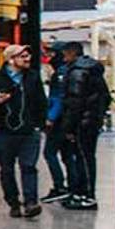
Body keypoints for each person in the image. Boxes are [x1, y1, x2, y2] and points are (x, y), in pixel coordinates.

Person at [0, 43, 47, 219]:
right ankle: (13, 202)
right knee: (7, 169)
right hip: (4, 131)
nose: (28, 59)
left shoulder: (32, 77)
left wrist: (39, 124)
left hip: (29, 131)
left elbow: (41, 101)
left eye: (28, 55)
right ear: (11, 59)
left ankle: (31, 202)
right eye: (23, 56)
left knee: (29, 166)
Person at [56, 40, 109, 211]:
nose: (63, 58)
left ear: (72, 53)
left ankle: (87, 196)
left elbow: (74, 101)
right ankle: (82, 193)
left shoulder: (77, 72)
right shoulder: (94, 70)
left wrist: (69, 127)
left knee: (83, 158)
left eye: (65, 54)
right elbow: (105, 97)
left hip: (81, 122)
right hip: (91, 120)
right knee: (85, 157)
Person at [42, 48, 71, 202]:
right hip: (68, 119)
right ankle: (73, 186)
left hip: (59, 121)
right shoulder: (67, 71)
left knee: (49, 152)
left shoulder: (60, 74)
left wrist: (51, 118)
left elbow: (58, 98)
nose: (48, 57)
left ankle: (59, 186)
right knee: (67, 155)